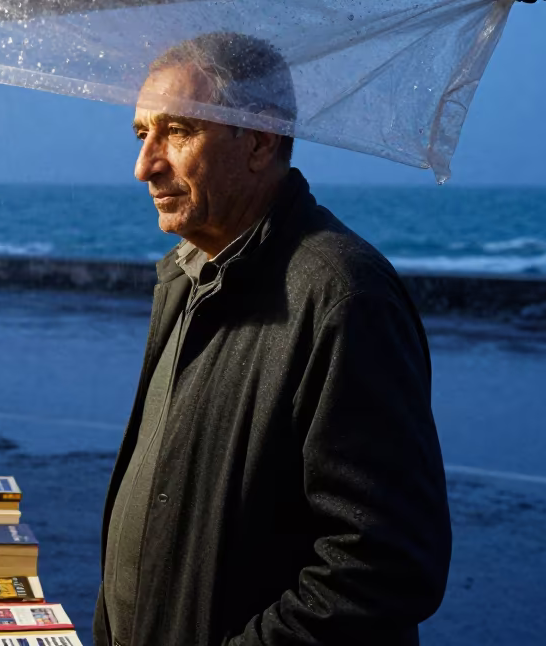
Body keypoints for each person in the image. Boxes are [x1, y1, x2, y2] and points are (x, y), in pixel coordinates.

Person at [95, 32, 452, 646]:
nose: (145, 164)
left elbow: (384, 565)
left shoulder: (343, 293)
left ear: (259, 138)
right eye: (140, 134)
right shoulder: (187, 277)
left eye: (177, 132)